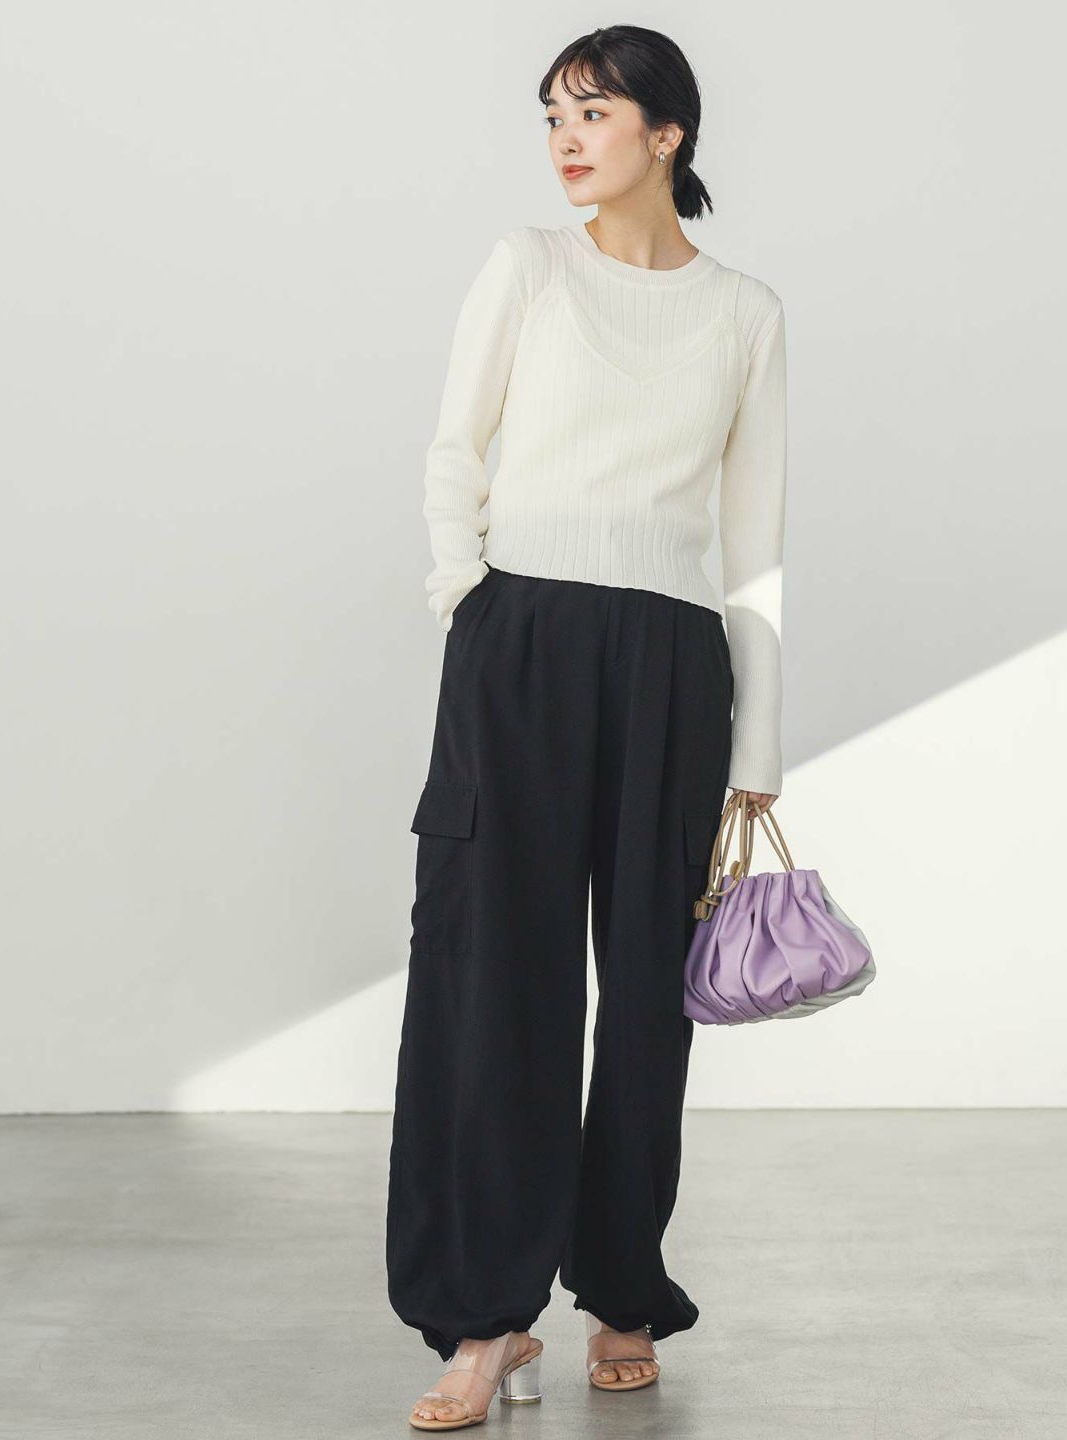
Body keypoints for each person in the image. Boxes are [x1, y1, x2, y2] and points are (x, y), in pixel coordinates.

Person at [387, 23, 787, 1431]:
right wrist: (470, 602)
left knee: (648, 1006)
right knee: (496, 982)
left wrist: (758, 748)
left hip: (673, 662)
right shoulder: (528, 268)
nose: (566, 137)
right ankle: (485, 1319)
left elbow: (755, 545)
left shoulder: (744, 313)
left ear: (666, 134)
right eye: (553, 113)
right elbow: (455, 448)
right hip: (522, 643)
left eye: (595, 112)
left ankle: (622, 1282)